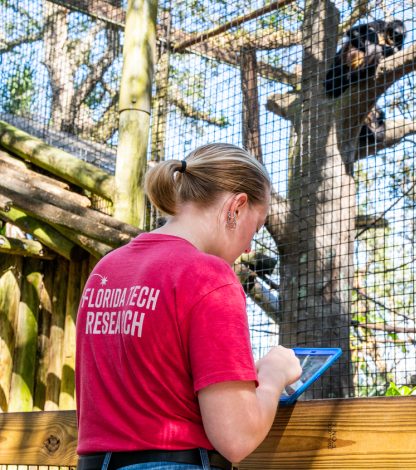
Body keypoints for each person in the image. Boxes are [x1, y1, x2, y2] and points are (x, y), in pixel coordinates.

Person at [75, 143, 302, 470]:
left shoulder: (106, 270)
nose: (250, 245)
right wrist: (272, 375)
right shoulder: (209, 275)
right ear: (236, 208)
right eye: (255, 228)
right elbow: (236, 437)